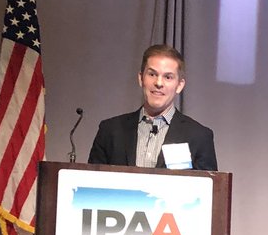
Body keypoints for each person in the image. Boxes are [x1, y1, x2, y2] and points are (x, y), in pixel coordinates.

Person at [88, 44, 218, 171]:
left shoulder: (199, 137)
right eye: (152, 74)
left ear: (179, 85)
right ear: (141, 78)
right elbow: (91, 181)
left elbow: (208, 185)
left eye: (168, 77)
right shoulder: (110, 131)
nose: (159, 83)